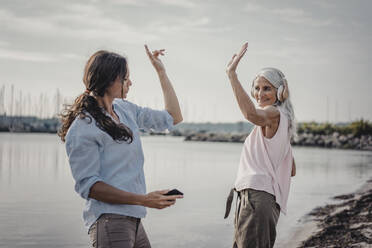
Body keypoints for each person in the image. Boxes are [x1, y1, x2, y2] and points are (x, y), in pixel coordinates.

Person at [58, 45, 183, 248]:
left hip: (133, 220)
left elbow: (174, 117)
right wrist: (144, 199)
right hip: (109, 221)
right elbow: (91, 187)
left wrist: (161, 72)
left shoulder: (125, 110)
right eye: (126, 78)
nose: (130, 83)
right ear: (109, 80)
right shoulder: (82, 127)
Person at [224, 42, 296, 248]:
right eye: (256, 88)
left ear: (280, 92)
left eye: (267, 88)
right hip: (259, 199)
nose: (260, 93)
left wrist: (231, 74)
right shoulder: (282, 122)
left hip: (257, 198)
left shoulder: (273, 114)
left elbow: (251, 114)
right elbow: (291, 169)